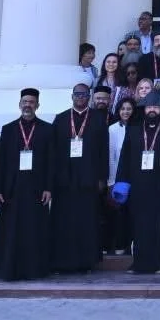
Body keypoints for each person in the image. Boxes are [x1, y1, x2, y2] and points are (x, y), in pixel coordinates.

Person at [112, 91, 160, 274]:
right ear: (143, 109)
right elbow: (124, 159)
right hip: (138, 187)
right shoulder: (134, 129)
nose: (152, 110)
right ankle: (140, 263)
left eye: (156, 107)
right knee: (140, 226)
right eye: (149, 107)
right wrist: (122, 183)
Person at [0, 88, 53, 282]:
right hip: (11, 189)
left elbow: (52, 161)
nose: (28, 105)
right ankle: (8, 270)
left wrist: (49, 187)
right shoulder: (8, 129)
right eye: (25, 102)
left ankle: (34, 271)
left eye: (32, 102)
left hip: (36, 189)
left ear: (37, 105)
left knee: (34, 230)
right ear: (19, 104)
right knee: (10, 231)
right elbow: (0, 162)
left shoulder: (47, 129)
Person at [49, 84, 109, 274]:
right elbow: (53, 152)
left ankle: (86, 261)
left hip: (89, 178)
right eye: (77, 94)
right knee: (63, 220)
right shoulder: (60, 119)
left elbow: (104, 150)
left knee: (87, 220)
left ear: (89, 96)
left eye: (84, 94)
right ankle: (61, 262)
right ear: (72, 96)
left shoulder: (99, 119)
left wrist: (102, 177)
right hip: (64, 179)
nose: (80, 97)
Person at [102, 98, 135, 256]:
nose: (126, 112)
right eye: (123, 109)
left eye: (129, 109)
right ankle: (120, 245)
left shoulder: (138, 127)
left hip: (136, 178)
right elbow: (111, 157)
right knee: (119, 214)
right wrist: (111, 182)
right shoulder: (113, 129)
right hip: (118, 178)